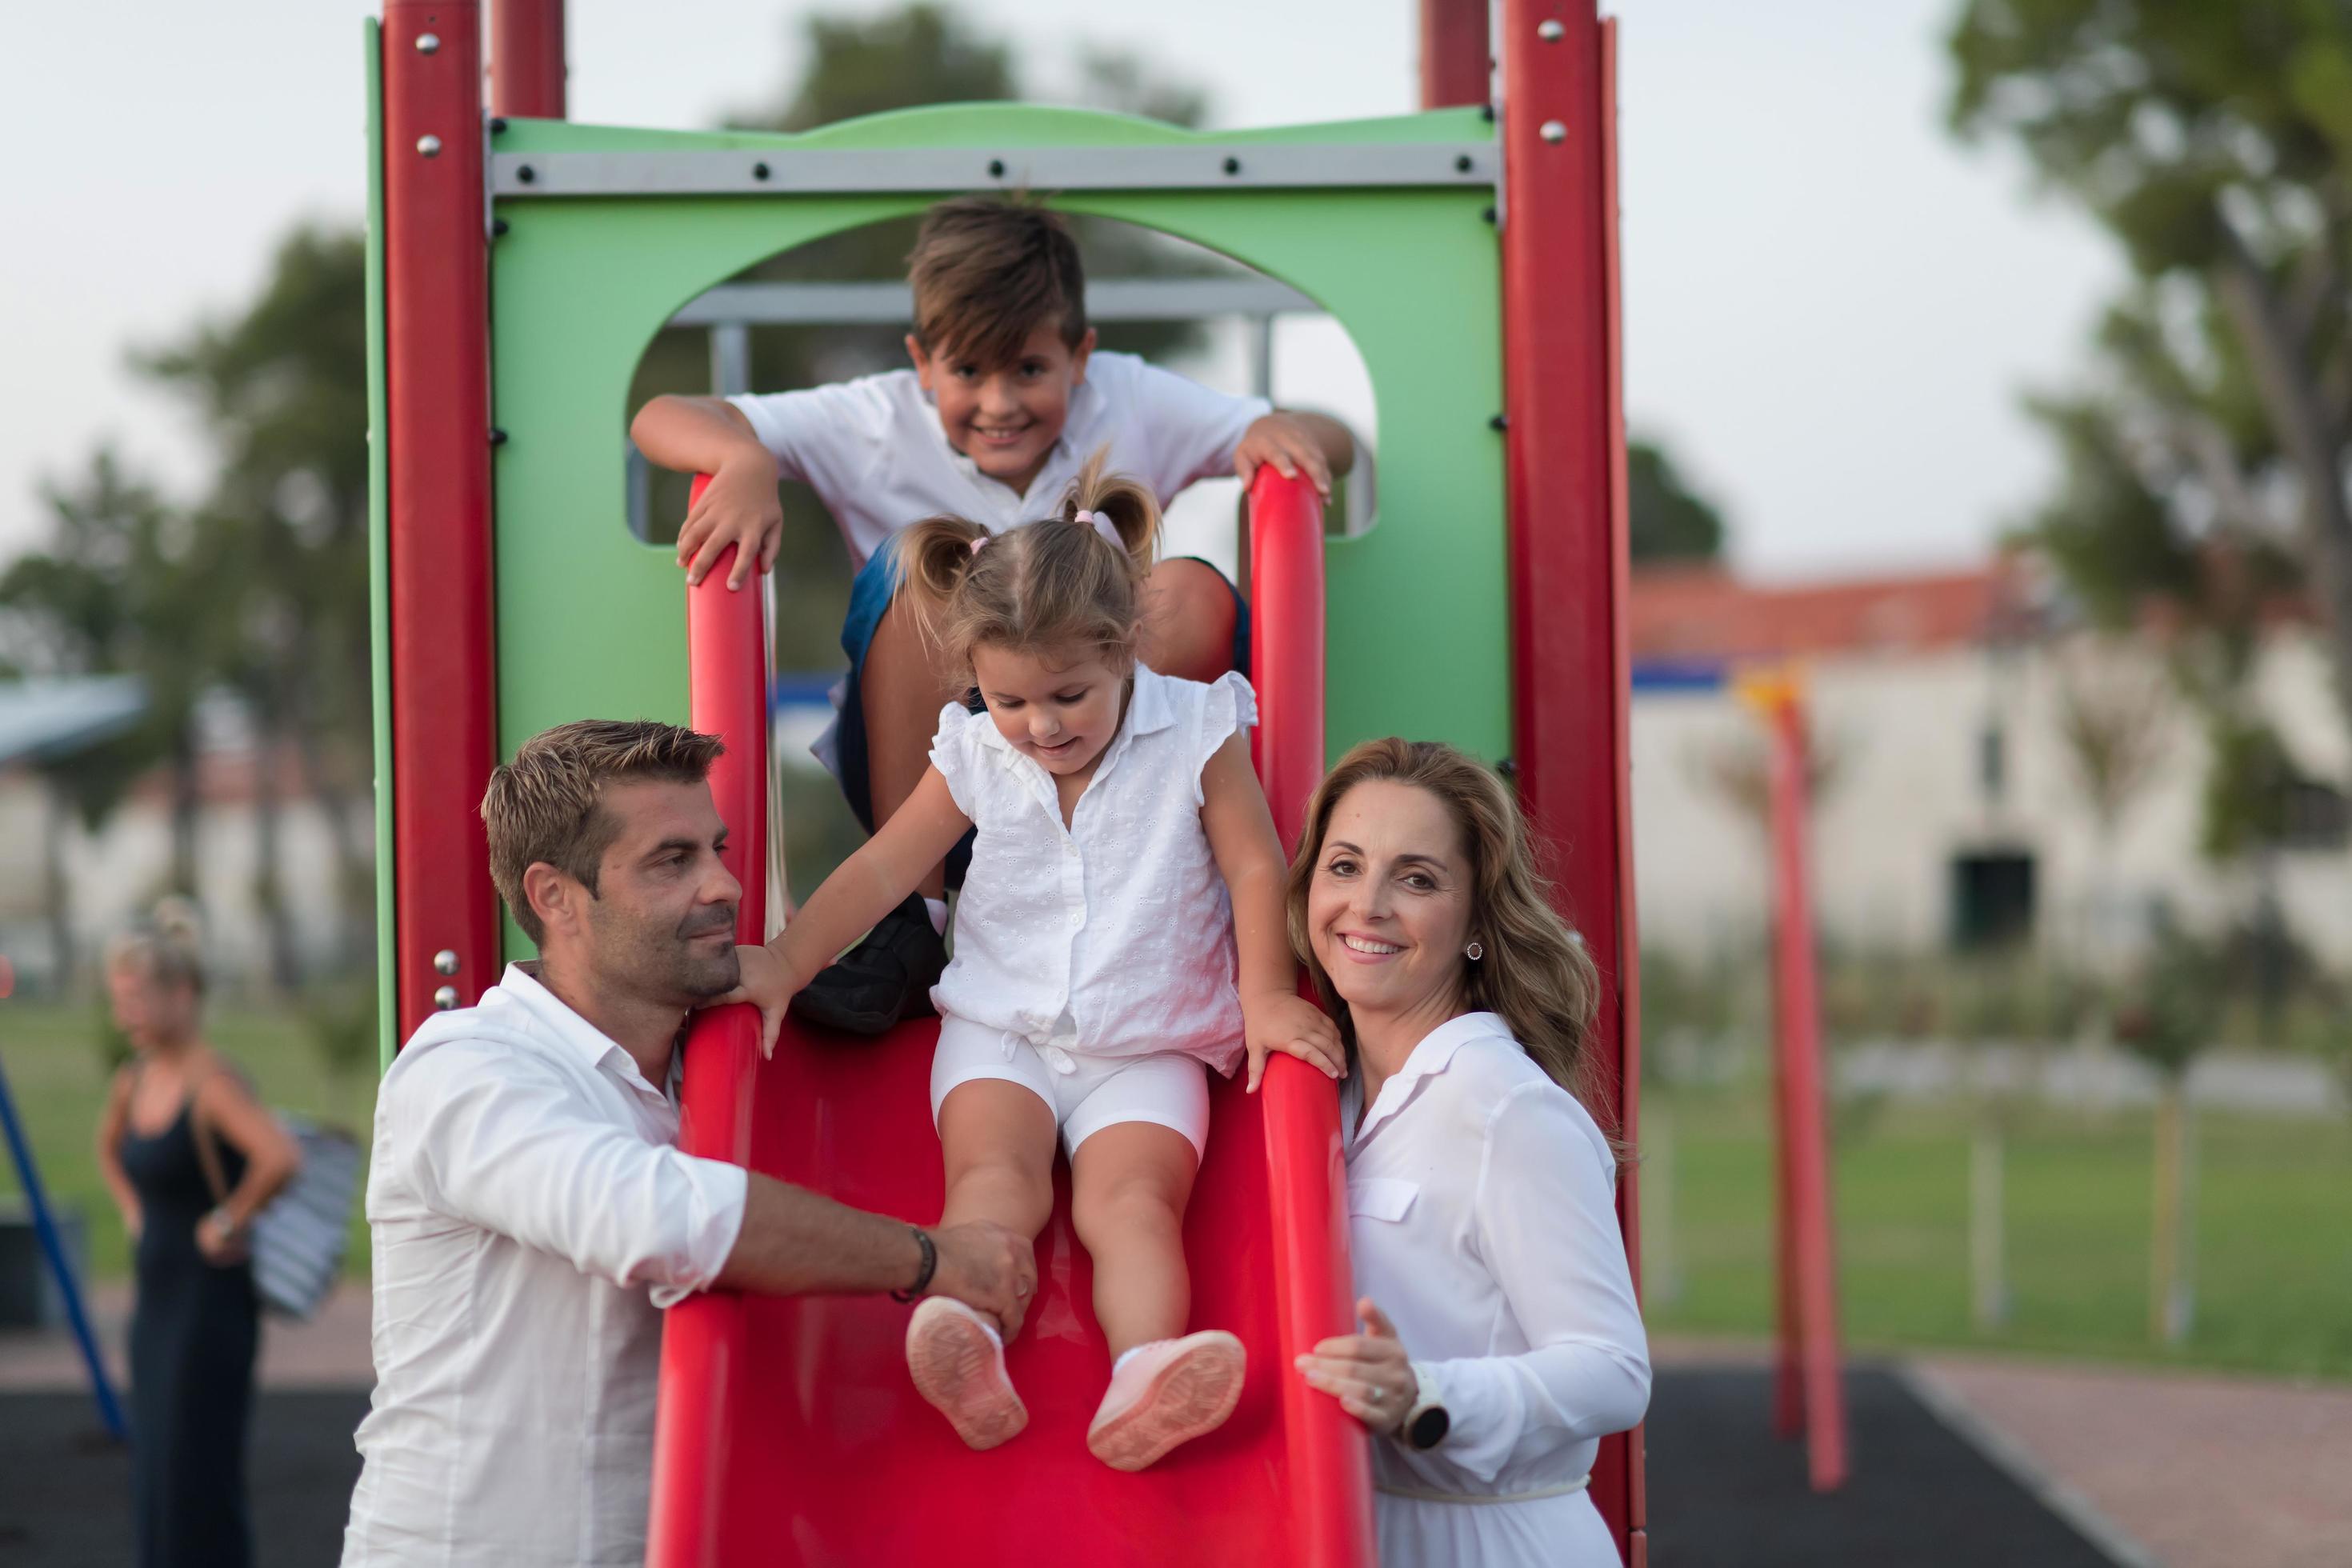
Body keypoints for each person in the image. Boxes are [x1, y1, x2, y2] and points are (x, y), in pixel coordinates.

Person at [724, 457, 1345, 1470]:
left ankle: (1145, 1373)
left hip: (1149, 1039)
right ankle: (966, 1337)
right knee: (993, 1179)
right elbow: (889, 863)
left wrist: (1267, 994)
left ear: (1125, 651)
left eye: (1068, 695)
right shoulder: (975, 748)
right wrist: (790, 959)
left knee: (1133, 1205)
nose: (1042, 726)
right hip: (1000, 1029)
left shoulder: (1196, 728)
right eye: (1012, 700)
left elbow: (1252, 861)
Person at [631, 194, 1354, 1034]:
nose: (999, 403)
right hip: (939, 789)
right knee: (913, 565)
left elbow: (1329, 435)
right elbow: (658, 417)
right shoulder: (873, 419)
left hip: (1116, 772)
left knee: (1187, 590)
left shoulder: (1128, 398)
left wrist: (1275, 432)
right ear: (922, 361)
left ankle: (1176, 863)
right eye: (969, 372)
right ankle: (918, 923)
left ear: (1080, 356)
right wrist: (740, 454)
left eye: (1030, 371)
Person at [341, 721, 1034, 1566]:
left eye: (718, 848)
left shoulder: (708, 1076)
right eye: (673, 861)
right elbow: (656, 1218)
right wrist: (933, 1259)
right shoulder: (465, 1068)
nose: (725, 884)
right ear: (555, 896)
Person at [1286, 739, 1650, 1567]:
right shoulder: (1314, 1100)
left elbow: (1615, 1370)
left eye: (1416, 878)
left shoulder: (1508, 1110)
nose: (1367, 904)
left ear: (1479, 922)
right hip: (1347, 1530)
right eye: (1344, 866)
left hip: (1490, 1540)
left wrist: (1430, 1392)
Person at [95, 900, 303, 1568]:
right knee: (154, 1471)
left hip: (209, 1306)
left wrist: (227, 1219)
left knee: (196, 1476)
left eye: (136, 997)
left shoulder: (211, 1082)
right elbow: (109, 1151)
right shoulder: (135, 1079)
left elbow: (279, 1157)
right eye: (117, 998)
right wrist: (134, 1210)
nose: (125, 1012)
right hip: (154, 1307)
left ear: (181, 994)